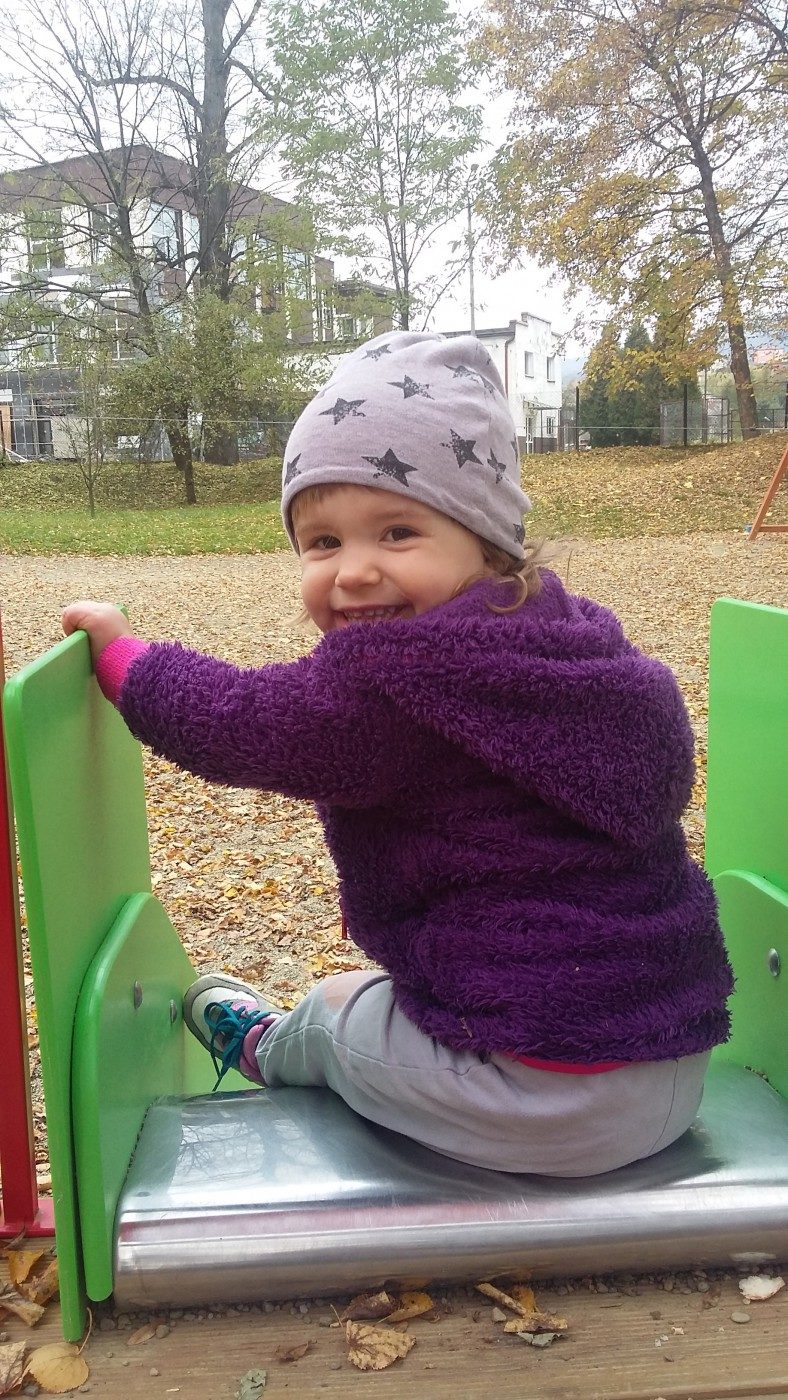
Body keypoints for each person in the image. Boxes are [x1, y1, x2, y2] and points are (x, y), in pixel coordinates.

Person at [62, 330, 734, 1177]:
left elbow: (239, 721)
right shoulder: (576, 644)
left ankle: (267, 1047)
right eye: (323, 543)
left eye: (397, 531)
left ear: (487, 542)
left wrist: (127, 662)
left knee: (339, 1014)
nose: (353, 571)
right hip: (672, 1061)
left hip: (540, 1097)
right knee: (406, 995)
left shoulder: (399, 679)